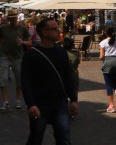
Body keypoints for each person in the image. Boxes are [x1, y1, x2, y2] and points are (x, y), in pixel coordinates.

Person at [21, 17, 78, 145]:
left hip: (60, 102)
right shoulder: (31, 55)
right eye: (55, 29)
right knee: (36, 138)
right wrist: (31, 104)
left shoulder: (61, 52)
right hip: (40, 103)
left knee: (64, 139)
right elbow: (26, 82)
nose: (59, 31)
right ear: (45, 32)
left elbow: (68, 77)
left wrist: (73, 99)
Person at [0, 15, 30, 110]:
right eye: (11, 18)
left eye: (15, 17)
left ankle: (18, 100)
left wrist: (22, 42)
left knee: (20, 80)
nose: (13, 19)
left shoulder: (23, 29)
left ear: (17, 18)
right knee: (2, 79)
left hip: (18, 57)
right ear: (8, 19)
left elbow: (30, 42)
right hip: (4, 56)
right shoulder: (3, 29)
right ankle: (5, 101)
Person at [99, 26, 116, 113]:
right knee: (115, 82)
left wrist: (101, 58)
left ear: (105, 33)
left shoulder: (103, 42)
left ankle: (111, 105)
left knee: (109, 84)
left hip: (108, 62)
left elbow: (101, 56)